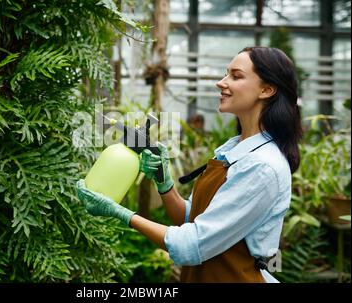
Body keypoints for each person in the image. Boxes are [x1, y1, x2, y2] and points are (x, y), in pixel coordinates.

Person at [76, 46, 302, 283]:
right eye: (226, 74)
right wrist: (164, 184)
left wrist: (118, 212)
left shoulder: (261, 167)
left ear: (266, 89)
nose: (221, 83)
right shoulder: (233, 149)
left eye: (235, 76)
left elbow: (191, 244)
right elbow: (190, 220)